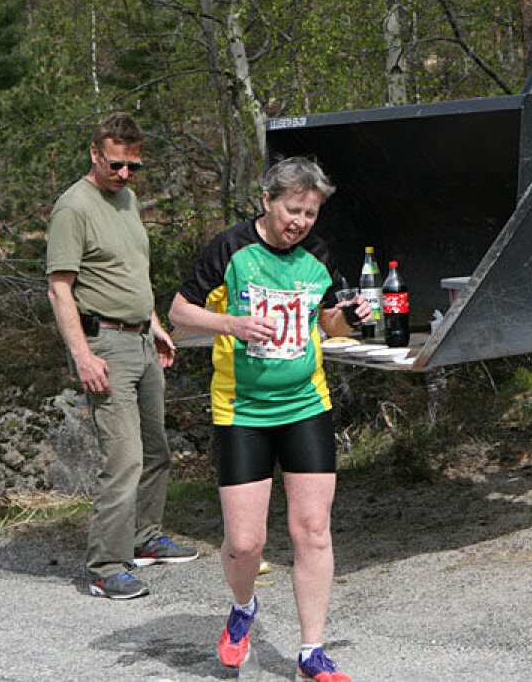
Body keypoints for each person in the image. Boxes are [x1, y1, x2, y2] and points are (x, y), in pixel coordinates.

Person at [168, 156, 368, 681]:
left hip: (306, 405)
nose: (300, 222)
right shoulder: (230, 249)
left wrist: (351, 318)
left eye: (310, 213)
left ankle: (311, 652)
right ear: (267, 201)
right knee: (245, 543)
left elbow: (329, 325)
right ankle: (242, 609)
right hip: (242, 411)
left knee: (314, 531)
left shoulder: (319, 255)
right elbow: (179, 313)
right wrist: (230, 322)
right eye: (292, 210)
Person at [46, 112, 198, 600]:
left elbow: (131, 271)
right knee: (124, 457)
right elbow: (59, 289)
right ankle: (105, 566)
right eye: (116, 165)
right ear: (95, 154)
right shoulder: (73, 208)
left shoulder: (127, 199)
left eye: (134, 166)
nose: (125, 175)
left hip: (140, 340)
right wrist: (82, 355)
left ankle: (144, 539)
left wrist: (154, 326)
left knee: (157, 450)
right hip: (104, 346)